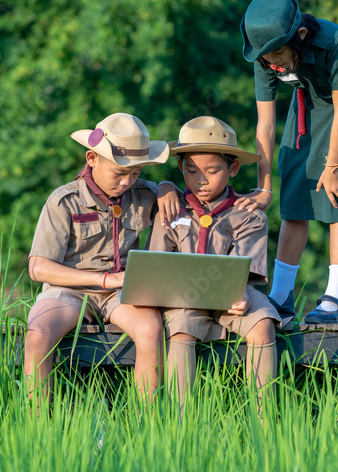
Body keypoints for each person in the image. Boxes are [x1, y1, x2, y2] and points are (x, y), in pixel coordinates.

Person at [235, 0, 338, 325]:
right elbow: (266, 124)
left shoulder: (336, 42)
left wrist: (332, 167)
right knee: (294, 198)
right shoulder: (264, 56)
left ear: (299, 37)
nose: (272, 63)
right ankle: (281, 296)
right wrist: (264, 185)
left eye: (277, 53)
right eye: (264, 58)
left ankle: (335, 300)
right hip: (307, 104)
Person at [23, 112, 182, 413]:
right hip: (70, 291)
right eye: (119, 173)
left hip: (121, 294)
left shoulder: (143, 194)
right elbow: (38, 268)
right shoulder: (64, 201)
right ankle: (39, 426)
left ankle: (146, 425)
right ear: (92, 158)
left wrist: (166, 186)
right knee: (38, 334)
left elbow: (183, 203)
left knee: (150, 328)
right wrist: (103, 280)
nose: (126, 182)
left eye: (135, 173)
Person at [148, 116, 280, 409]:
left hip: (234, 296)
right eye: (192, 170)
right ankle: (181, 424)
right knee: (181, 325)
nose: (201, 180)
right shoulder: (171, 209)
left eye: (213, 170)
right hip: (184, 296)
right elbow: (158, 264)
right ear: (181, 167)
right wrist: (165, 186)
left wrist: (241, 294)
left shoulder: (248, 214)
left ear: (233, 168)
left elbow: (246, 270)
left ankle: (264, 419)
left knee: (262, 324)